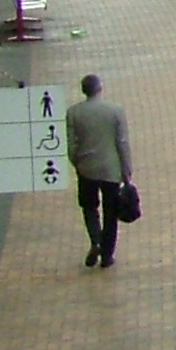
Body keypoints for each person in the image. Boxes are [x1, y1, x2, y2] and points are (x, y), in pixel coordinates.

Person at [65, 70, 134, 269]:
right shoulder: (115, 111)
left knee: (89, 207)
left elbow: (71, 145)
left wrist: (77, 162)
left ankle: (95, 239)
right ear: (100, 89)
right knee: (110, 213)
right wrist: (127, 168)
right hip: (111, 169)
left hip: (87, 168)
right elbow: (122, 142)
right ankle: (107, 254)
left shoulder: (74, 113)